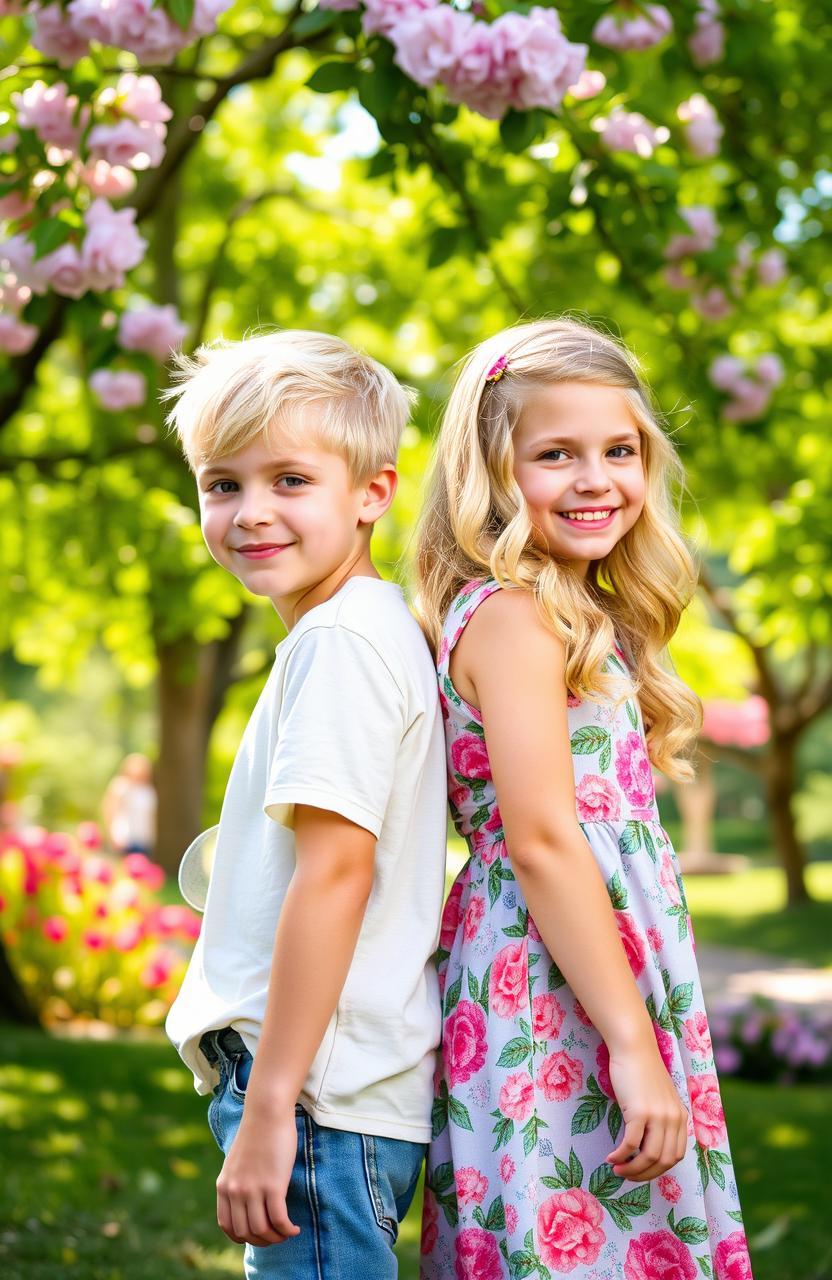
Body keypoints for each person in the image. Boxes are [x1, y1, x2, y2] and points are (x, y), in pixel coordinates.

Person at [415, 319, 753, 1278]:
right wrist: (633, 1046)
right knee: (570, 1230)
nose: (596, 478)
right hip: (552, 976)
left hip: (592, 965)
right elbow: (544, 842)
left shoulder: (569, 612)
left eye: (621, 450)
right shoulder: (515, 617)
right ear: (491, 472)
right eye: (555, 454)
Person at [163, 330, 448, 1278]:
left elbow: (336, 876)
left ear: (373, 493)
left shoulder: (342, 645)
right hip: (329, 1091)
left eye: (290, 480)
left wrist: (272, 1103)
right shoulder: (351, 631)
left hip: (318, 1098)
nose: (249, 513)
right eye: (222, 483)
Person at [102, 752, 157, 855]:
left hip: (144, 839)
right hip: (124, 838)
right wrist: (111, 834)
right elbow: (109, 810)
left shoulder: (148, 789)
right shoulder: (120, 786)